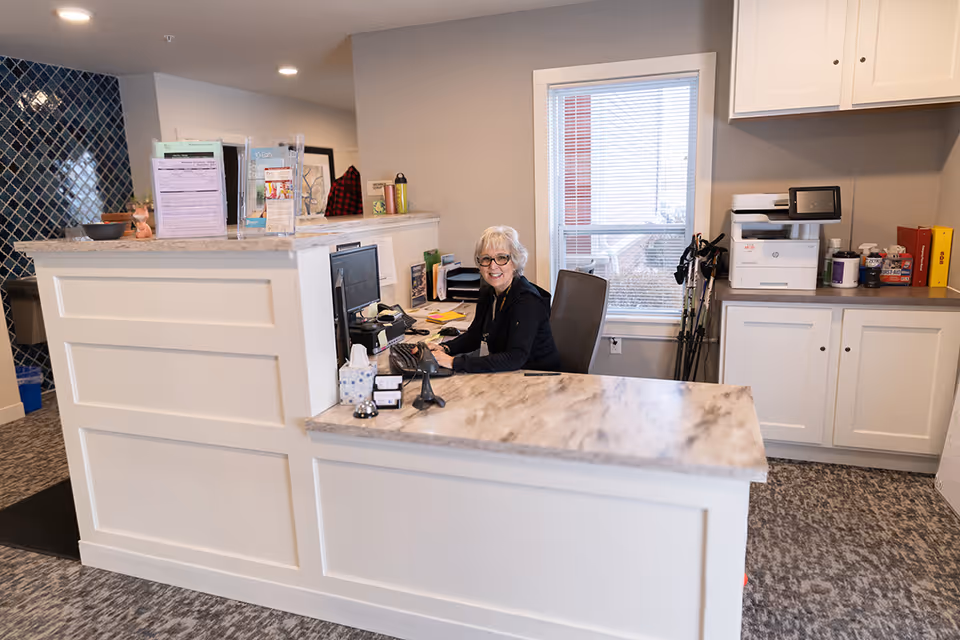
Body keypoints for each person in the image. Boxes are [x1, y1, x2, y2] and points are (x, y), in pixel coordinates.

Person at [425, 226, 561, 373]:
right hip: (510, 373)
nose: (492, 266)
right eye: (486, 259)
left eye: (502, 258)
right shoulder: (489, 293)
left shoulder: (527, 301)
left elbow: (515, 357)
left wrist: (454, 362)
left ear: (515, 262)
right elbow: (475, 335)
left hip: (537, 377)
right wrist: (445, 348)